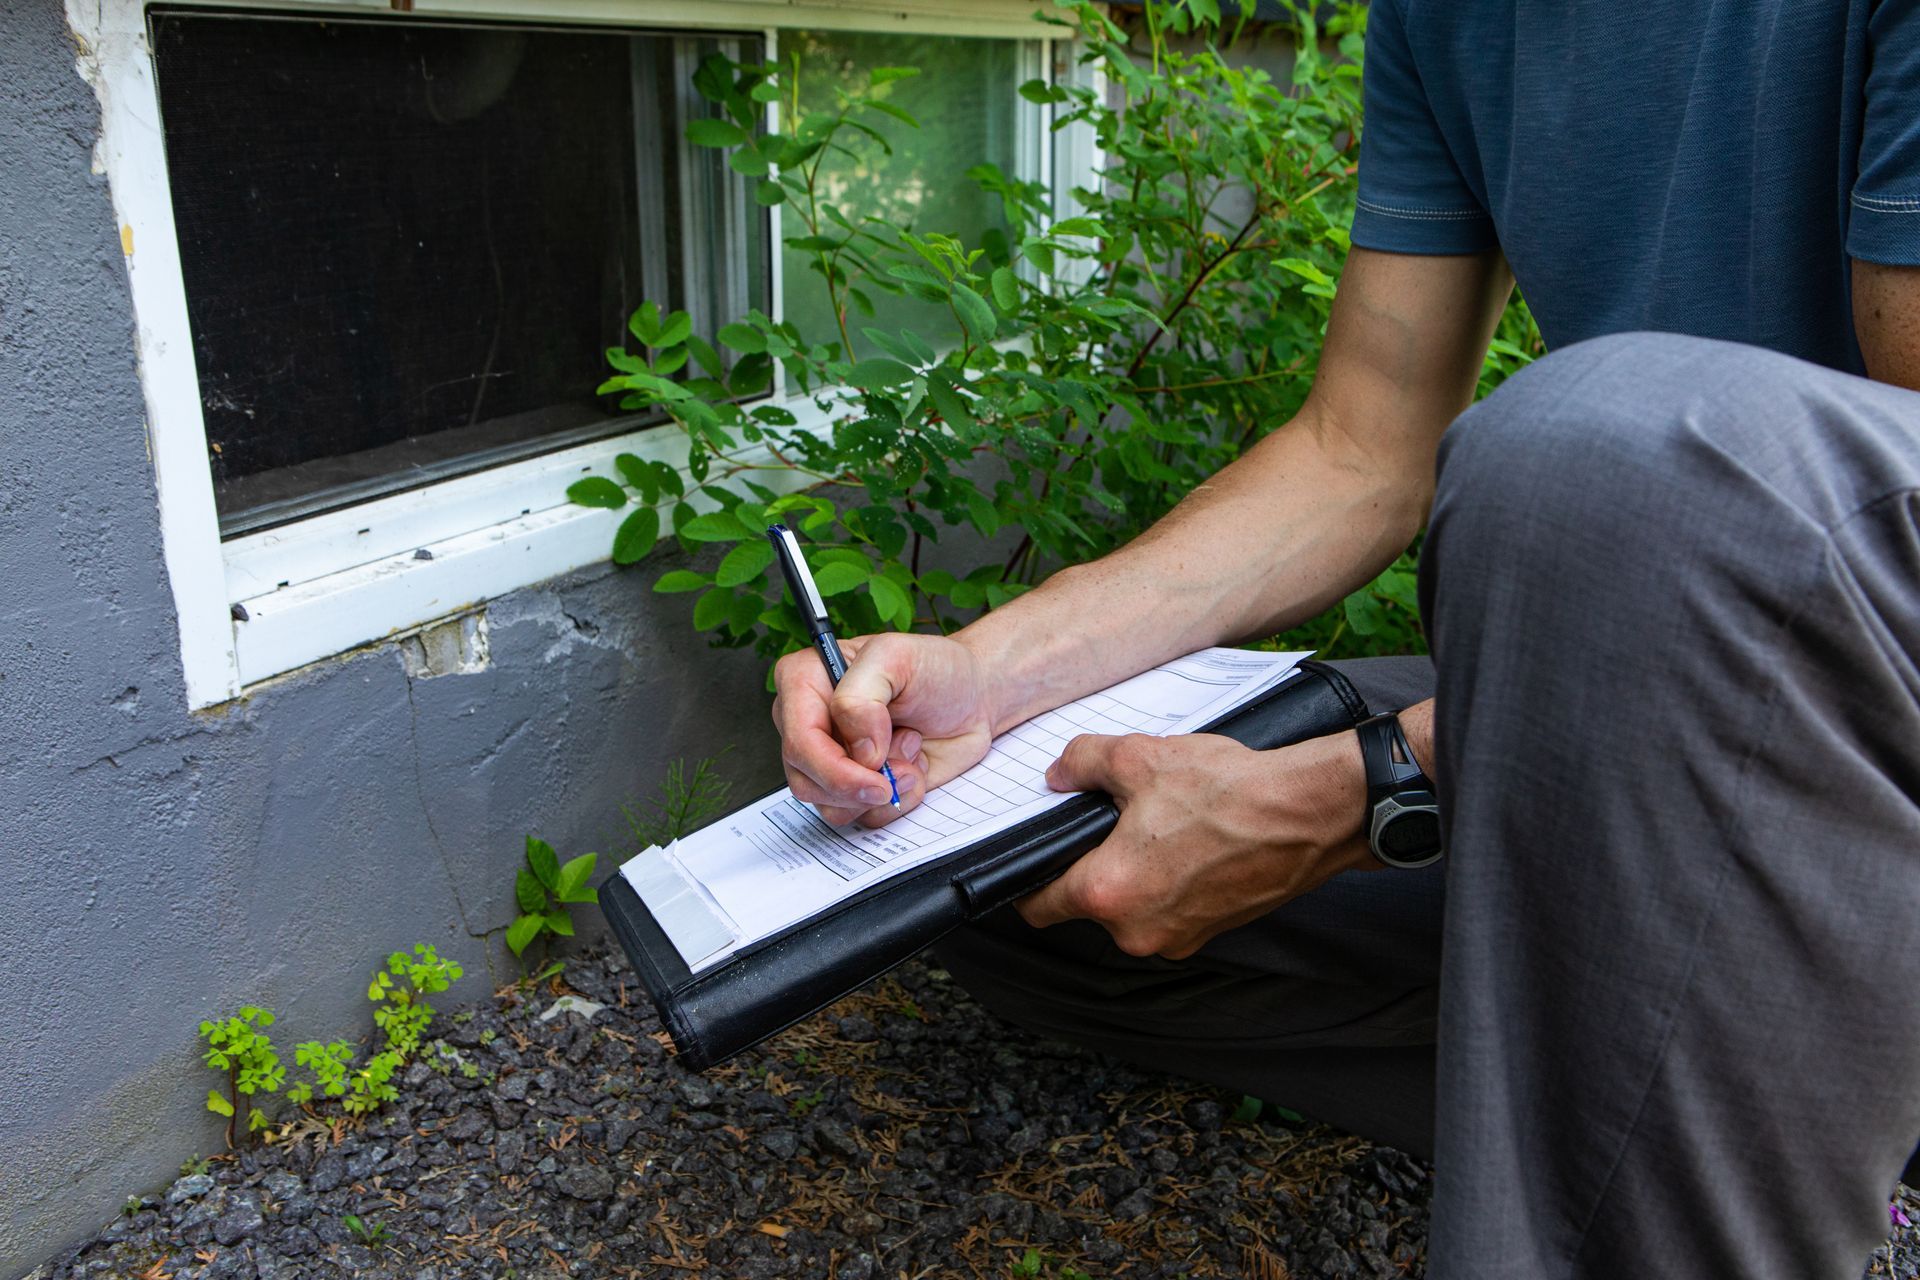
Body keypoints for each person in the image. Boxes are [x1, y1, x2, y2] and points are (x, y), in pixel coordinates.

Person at [770, 4, 1920, 1275]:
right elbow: (1358, 450)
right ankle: (1754, 1092)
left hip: (1868, 744)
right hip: (1650, 732)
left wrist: (1354, 795)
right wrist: (989, 669)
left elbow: (1876, 556)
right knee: (1021, 864)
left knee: (1607, 451)